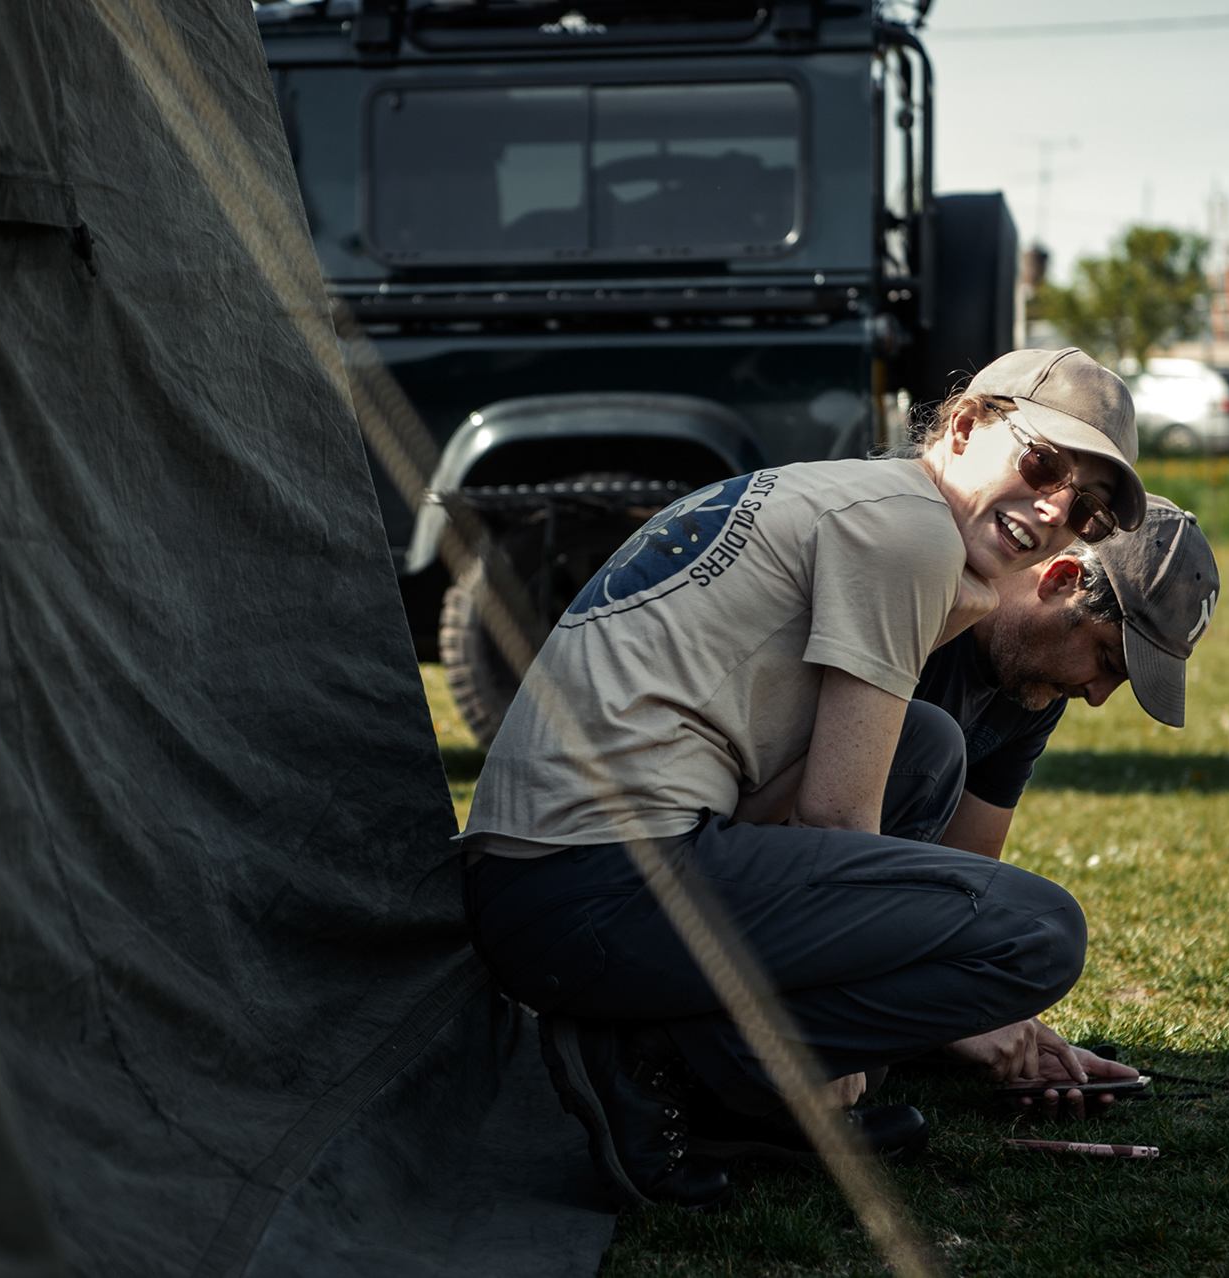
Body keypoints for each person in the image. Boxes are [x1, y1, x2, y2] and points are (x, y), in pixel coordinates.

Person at [460, 348, 1148, 1209]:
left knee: (925, 747)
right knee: (1038, 933)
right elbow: (834, 821)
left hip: (538, 882)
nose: (1053, 511)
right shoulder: (910, 535)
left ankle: (739, 1090)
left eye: (1085, 509)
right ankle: (668, 1058)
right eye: (1043, 465)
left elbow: (771, 796)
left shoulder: (869, 498)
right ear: (966, 426)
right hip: (589, 888)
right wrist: (831, 1052)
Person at [921, 493, 1221, 861]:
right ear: (1061, 580)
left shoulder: (1034, 685)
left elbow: (966, 866)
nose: (1097, 697)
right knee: (934, 734)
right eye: (1107, 661)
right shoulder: (922, 608)